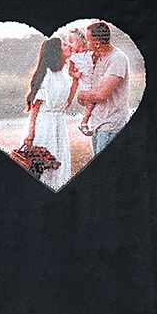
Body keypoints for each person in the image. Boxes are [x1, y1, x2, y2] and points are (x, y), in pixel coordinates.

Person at [20, 37, 73, 190]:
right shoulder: (47, 74)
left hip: (58, 123)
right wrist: (31, 133)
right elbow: (35, 106)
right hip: (44, 124)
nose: (68, 46)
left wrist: (76, 81)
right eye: (64, 44)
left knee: (59, 161)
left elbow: (67, 102)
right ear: (57, 51)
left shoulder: (63, 73)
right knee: (44, 164)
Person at [77, 22, 130, 155]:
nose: (85, 42)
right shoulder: (98, 58)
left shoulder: (117, 59)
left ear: (97, 43)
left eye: (87, 40)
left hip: (111, 125)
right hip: (98, 125)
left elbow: (101, 94)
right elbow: (93, 92)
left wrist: (81, 94)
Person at [64, 28, 98, 136]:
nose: (69, 45)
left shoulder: (91, 53)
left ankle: (94, 125)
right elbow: (70, 71)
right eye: (68, 42)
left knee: (96, 105)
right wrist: (75, 75)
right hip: (85, 85)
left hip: (94, 83)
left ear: (81, 41)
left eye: (71, 42)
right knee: (90, 105)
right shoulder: (73, 58)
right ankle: (84, 123)